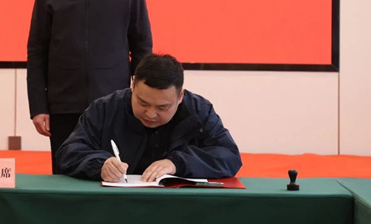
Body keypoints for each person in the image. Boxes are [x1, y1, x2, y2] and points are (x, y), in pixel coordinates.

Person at [27, 0, 153, 173]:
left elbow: (142, 48)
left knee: (114, 174)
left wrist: (141, 100)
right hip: (63, 106)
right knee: (66, 176)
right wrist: (38, 107)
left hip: (114, 105)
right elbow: (37, 53)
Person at [56, 53, 242, 181]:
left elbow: (229, 156)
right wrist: (100, 164)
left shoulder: (198, 111)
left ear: (180, 97)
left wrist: (177, 163)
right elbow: (68, 152)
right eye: (143, 103)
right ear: (133, 85)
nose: (151, 114)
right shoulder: (105, 108)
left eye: (163, 107)